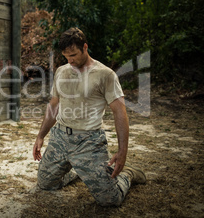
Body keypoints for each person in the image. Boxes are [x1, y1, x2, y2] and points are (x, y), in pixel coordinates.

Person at [32, 27, 146, 206]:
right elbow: (54, 106)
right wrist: (40, 136)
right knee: (45, 184)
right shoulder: (62, 72)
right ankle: (80, 170)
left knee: (110, 200)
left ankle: (127, 175)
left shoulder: (105, 74)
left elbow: (120, 112)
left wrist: (122, 152)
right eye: (66, 56)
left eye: (74, 55)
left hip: (88, 141)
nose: (70, 60)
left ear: (85, 47)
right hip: (60, 137)